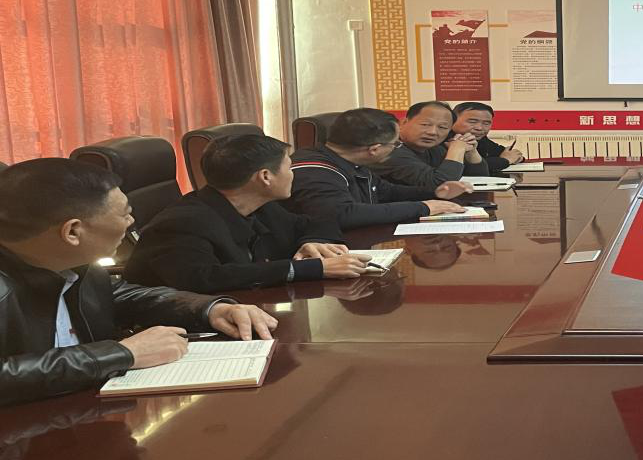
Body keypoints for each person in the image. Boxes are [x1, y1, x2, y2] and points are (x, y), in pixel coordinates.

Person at [0, 159, 278, 406]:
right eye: (124, 214)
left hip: (85, 412)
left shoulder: (75, 263)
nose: (131, 222)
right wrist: (122, 353)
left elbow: (119, 295)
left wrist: (210, 308)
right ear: (73, 231)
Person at [124, 135, 375, 293]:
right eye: (289, 168)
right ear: (265, 177)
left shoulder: (260, 205)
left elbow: (316, 221)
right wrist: (311, 268)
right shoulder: (182, 224)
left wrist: (314, 241)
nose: (293, 175)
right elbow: (205, 279)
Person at [285, 107, 472, 230]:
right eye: (395, 144)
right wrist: (423, 207)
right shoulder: (314, 170)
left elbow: (386, 191)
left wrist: (435, 192)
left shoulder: (350, 161)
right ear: (374, 149)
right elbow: (342, 214)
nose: (397, 148)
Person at [371, 100, 488, 187]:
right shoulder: (390, 151)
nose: (432, 132)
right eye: (425, 125)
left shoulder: (434, 149)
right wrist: (456, 149)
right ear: (403, 123)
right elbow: (441, 184)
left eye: (442, 127)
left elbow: (479, 180)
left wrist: (471, 153)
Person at [452, 102, 525, 175]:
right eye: (472, 122)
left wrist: (517, 157)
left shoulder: (481, 139)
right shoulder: (448, 139)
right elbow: (466, 167)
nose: (479, 128)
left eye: (486, 123)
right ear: (452, 120)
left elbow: (503, 153)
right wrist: (505, 160)